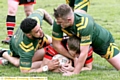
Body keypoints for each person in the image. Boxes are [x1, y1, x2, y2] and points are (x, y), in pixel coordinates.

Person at [52, 4, 120, 76]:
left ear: (69, 20)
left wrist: (75, 73)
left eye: (60, 22)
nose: (57, 23)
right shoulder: (59, 21)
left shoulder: (85, 24)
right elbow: (56, 44)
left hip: (102, 43)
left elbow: (84, 52)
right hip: (80, 43)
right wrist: (73, 57)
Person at [0, 9, 59, 73]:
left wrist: (54, 26)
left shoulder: (35, 20)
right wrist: (47, 67)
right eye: (37, 31)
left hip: (35, 39)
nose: (41, 32)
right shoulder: (26, 47)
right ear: (29, 35)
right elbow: (24, 71)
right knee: (18, 63)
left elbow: (42, 11)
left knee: (55, 42)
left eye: (40, 28)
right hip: (16, 48)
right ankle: (4, 53)